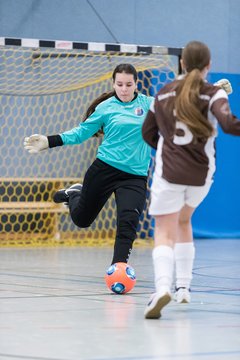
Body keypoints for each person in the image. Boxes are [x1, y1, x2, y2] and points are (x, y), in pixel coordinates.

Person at [142, 41, 240, 319]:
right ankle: (184, 288)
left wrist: (168, 147)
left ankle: (162, 288)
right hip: (201, 176)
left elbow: (147, 133)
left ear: (182, 63)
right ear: (209, 66)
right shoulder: (213, 93)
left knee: (164, 230)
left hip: (170, 173)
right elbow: (231, 125)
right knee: (184, 221)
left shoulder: (161, 94)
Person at [24, 63, 154, 266]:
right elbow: (80, 133)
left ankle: (118, 269)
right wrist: (50, 141)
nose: (124, 89)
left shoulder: (149, 104)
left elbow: (179, 105)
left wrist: (213, 92)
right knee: (82, 220)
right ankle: (74, 194)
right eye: (120, 84)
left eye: (129, 84)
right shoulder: (105, 108)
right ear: (114, 84)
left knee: (128, 222)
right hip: (105, 169)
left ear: (136, 84)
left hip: (134, 176)